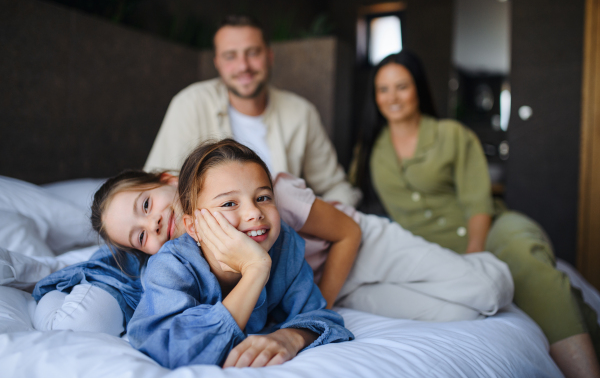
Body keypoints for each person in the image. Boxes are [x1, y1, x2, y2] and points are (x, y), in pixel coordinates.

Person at [33, 139, 513, 338]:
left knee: (485, 292)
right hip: (335, 286)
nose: (153, 227)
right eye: (139, 237)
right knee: (461, 314)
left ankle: (491, 261)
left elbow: (346, 233)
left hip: (361, 247)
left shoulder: (272, 196)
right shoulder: (191, 252)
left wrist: (316, 310)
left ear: (164, 179)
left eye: (145, 207)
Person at [353, 49, 600, 378]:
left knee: (525, 257)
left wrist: (474, 256)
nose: (392, 97)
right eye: (383, 89)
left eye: (402, 86)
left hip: (489, 228)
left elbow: (477, 202)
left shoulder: (452, 135)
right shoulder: (370, 150)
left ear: (418, 89)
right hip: (432, 248)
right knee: (557, 287)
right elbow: (347, 195)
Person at [126, 139, 354, 368]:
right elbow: (171, 350)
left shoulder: (284, 243)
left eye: (263, 198)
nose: (254, 212)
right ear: (194, 226)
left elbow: (319, 315)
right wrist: (255, 270)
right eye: (229, 203)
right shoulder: (171, 266)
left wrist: (291, 336)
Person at [144, 15, 360, 206]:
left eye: (253, 53)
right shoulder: (189, 103)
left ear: (269, 56)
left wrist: (329, 224)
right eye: (230, 56)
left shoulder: (302, 113)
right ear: (217, 63)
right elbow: (156, 186)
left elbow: (336, 187)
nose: (243, 66)